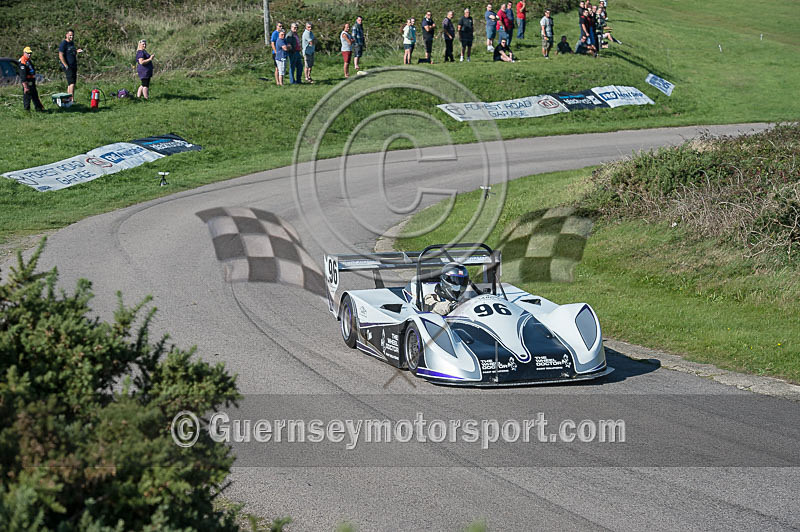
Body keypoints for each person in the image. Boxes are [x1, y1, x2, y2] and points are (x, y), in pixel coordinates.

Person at [58, 29, 83, 101]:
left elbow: (71, 52)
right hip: (68, 66)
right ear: (66, 35)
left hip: (73, 65)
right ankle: (71, 100)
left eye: (72, 35)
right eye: (70, 35)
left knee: (71, 83)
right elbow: (60, 55)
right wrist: (65, 65)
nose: (71, 37)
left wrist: (77, 51)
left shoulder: (71, 43)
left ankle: (68, 99)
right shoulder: (64, 43)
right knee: (71, 83)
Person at [18, 47, 44, 112]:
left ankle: (39, 109)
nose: (29, 55)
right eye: (28, 53)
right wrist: (25, 86)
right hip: (27, 81)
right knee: (27, 96)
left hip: (31, 80)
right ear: (24, 53)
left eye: (30, 53)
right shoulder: (22, 61)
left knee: (35, 95)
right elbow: (23, 75)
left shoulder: (28, 60)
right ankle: (27, 111)